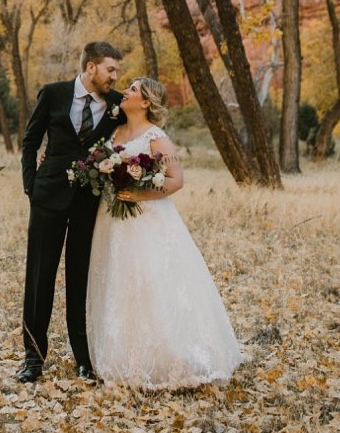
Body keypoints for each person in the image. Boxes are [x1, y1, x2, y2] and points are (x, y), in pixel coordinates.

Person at [85, 76, 244, 388]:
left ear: (145, 102)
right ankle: (123, 357)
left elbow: (175, 179)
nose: (125, 92)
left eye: (132, 89)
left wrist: (138, 193)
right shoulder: (114, 131)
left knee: (152, 281)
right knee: (120, 281)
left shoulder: (156, 137)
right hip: (111, 220)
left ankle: (168, 356)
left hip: (146, 220)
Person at [17, 41, 124, 382]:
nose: (115, 76)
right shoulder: (53, 94)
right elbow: (30, 141)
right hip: (47, 198)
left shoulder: (117, 103)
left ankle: (84, 359)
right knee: (39, 278)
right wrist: (31, 186)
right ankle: (33, 358)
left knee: (80, 279)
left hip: (87, 201)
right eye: (110, 69)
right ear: (91, 67)